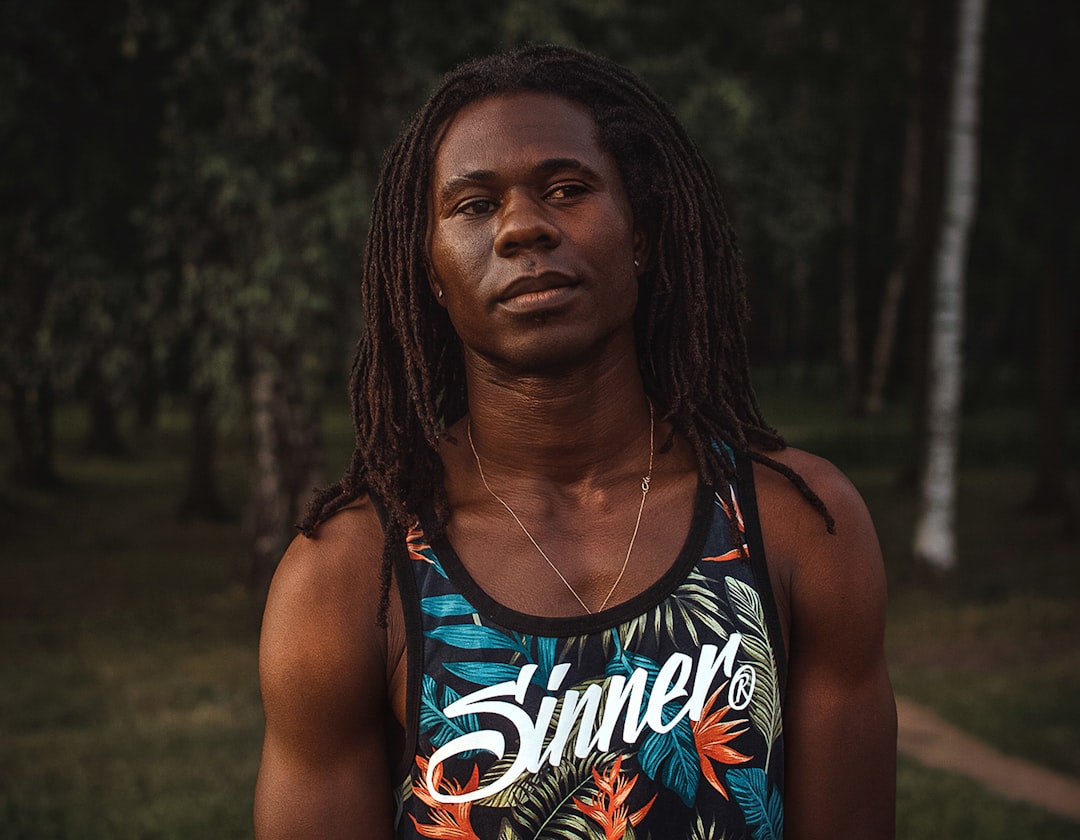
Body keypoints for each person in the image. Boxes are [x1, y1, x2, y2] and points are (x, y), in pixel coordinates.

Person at [254, 45, 896, 839]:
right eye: (474, 205)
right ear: (430, 271)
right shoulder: (348, 577)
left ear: (642, 235)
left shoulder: (796, 524)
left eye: (567, 189)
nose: (524, 226)